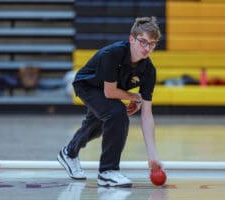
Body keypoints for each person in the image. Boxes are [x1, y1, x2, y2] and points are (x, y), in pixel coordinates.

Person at [57, 16, 163, 187]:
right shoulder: (113, 53)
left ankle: (69, 153)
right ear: (131, 39)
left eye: (151, 44)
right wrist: (134, 97)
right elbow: (110, 91)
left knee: (98, 124)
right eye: (142, 41)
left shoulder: (149, 70)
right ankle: (108, 171)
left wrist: (152, 155)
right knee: (117, 114)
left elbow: (147, 114)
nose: (146, 48)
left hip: (106, 91)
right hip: (88, 85)